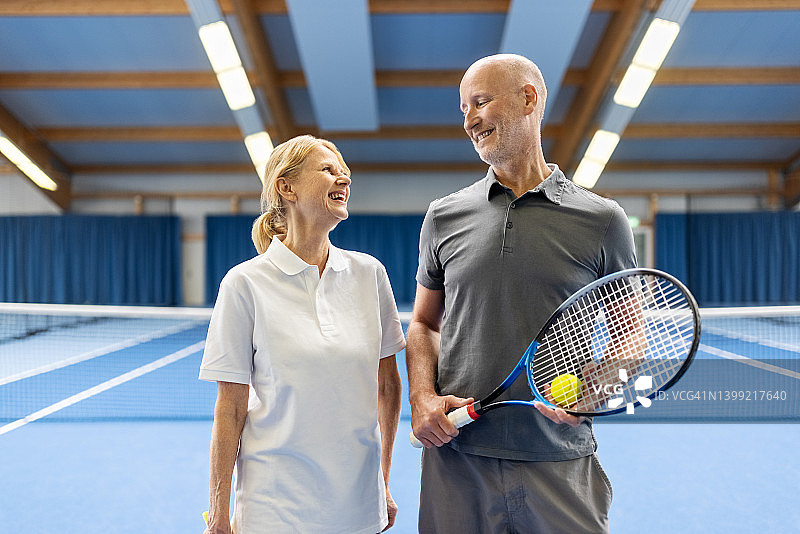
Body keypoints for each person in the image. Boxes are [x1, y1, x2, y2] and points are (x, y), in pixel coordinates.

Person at [406, 54, 637, 533]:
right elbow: (425, 323)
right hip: (458, 459)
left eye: (481, 102)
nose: (469, 120)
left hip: (559, 461)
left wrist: (600, 385)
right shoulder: (443, 216)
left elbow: (630, 334)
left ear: (528, 98)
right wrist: (423, 397)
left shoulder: (603, 220)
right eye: (463, 109)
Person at [199, 135, 406, 534]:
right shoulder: (244, 284)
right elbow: (230, 409)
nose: (343, 178)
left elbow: (388, 386)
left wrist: (382, 480)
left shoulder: (371, 275)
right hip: (274, 509)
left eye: (345, 172)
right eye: (328, 170)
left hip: (358, 507)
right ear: (286, 187)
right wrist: (219, 513)